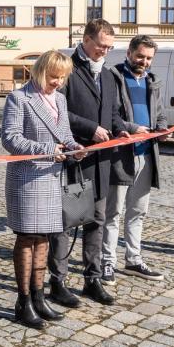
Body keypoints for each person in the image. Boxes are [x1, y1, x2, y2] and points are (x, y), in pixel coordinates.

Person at [48, 19, 131, 306]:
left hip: (102, 162)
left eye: (109, 47)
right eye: (100, 46)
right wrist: (89, 128)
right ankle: (57, 281)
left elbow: (113, 112)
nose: (104, 51)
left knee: (97, 220)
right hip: (75, 159)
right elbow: (57, 112)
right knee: (66, 223)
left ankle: (92, 279)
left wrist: (121, 129)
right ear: (85, 40)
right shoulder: (66, 70)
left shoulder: (108, 76)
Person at [2, 51, 86, 329]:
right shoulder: (19, 98)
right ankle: (22, 302)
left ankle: (39, 297)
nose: (57, 83)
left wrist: (75, 149)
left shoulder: (60, 99)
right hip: (27, 179)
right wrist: (47, 150)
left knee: (44, 240)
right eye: (53, 77)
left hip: (51, 179)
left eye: (62, 78)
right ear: (40, 71)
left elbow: (65, 137)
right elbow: (11, 139)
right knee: (28, 239)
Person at [104, 35, 169, 282]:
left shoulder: (152, 81)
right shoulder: (113, 77)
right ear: (129, 53)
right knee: (113, 213)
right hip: (121, 156)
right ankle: (107, 262)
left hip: (147, 154)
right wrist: (132, 128)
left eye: (149, 58)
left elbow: (160, 115)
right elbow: (111, 116)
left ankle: (133, 260)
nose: (144, 61)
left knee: (138, 212)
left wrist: (162, 129)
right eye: (140, 56)